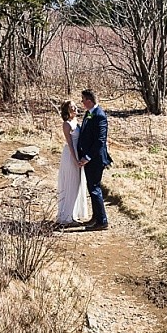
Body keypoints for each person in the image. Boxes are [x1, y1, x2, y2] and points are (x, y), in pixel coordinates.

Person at [75, 88, 112, 231]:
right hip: (88, 158)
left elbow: (100, 141)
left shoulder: (99, 116)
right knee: (92, 188)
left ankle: (102, 221)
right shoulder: (89, 113)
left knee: (95, 188)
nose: (82, 102)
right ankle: (96, 217)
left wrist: (87, 157)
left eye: (83, 100)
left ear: (89, 101)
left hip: (95, 159)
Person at [55, 99, 89, 227]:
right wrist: (75, 159)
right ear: (67, 111)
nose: (75, 109)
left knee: (77, 184)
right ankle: (67, 217)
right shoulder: (67, 124)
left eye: (75, 107)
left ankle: (73, 213)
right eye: (72, 108)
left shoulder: (77, 122)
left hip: (78, 153)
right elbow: (69, 143)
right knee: (71, 184)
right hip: (70, 155)